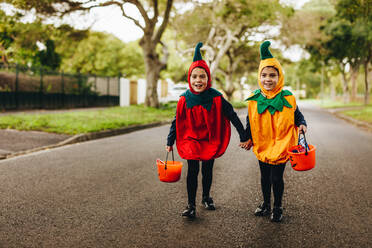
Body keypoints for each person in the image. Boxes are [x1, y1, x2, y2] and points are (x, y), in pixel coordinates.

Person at [166, 42, 250, 219]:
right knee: (192, 170)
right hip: (191, 139)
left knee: (207, 169)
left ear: (208, 78)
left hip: (209, 139)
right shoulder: (184, 99)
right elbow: (177, 121)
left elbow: (232, 115)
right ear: (189, 78)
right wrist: (170, 140)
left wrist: (243, 135)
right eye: (194, 77)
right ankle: (190, 205)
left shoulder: (217, 97)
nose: (198, 80)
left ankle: (206, 197)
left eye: (202, 76)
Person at [244, 41, 307, 222]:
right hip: (262, 142)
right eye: (264, 75)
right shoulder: (255, 99)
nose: (268, 79)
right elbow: (250, 119)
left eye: (272, 75)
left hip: (281, 142)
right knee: (264, 177)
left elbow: (297, 114)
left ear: (279, 77)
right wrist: (248, 137)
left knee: (276, 177)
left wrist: (302, 123)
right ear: (259, 76)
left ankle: (277, 206)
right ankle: (266, 204)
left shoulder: (287, 97)